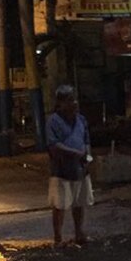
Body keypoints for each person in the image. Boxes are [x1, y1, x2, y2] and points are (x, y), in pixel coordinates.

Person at [47, 85, 93, 247]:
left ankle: (79, 233)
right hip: (61, 170)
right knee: (60, 205)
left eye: (74, 99)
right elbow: (54, 145)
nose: (74, 103)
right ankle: (58, 238)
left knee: (79, 203)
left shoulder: (81, 119)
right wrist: (76, 153)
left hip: (80, 169)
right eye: (69, 100)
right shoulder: (53, 121)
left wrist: (87, 157)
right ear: (60, 103)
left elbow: (86, 141)